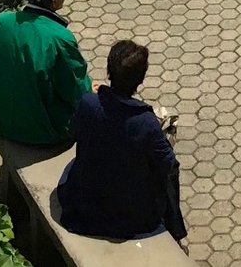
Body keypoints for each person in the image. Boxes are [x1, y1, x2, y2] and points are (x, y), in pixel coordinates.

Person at [56, 40, 187, 246]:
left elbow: (73, 132)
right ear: (140, 79)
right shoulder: (146, 122)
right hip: (131, 218)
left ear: (109, 71)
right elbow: (169, 167)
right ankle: (175, 229)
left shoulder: (89, 103)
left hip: (83, 206)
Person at [0, 0, 92, 196]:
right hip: (44, 133)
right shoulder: (60, 38)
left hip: (0, 118)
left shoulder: (2, 23)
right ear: (54, 0)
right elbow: (78, 94)